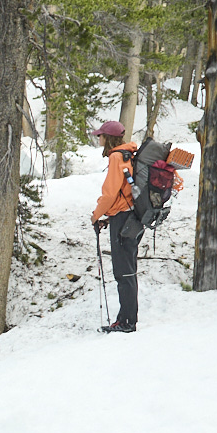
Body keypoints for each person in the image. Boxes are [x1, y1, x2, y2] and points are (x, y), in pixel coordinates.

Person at [90, 119, 141, 333]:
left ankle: (127, 322)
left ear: (107, 138)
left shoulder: (116, 157)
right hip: (132, 217)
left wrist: (96, 215)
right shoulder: (128, 155)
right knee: (127, 269)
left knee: (123, 271)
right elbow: (123, 193)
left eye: (100, 135)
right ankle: (125, 318)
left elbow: (110, 194)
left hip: (123, 219)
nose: (98, 138)